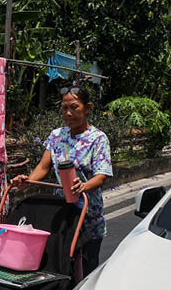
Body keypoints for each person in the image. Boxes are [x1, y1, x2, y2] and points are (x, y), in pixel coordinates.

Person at [11, 85, 112, 277]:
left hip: (88, 217)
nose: (68, 113)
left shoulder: (98, 139)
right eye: (65, 108)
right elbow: (43, 166)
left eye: (74, 107)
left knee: (86, 272)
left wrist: (84, 186)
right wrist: (28, 182)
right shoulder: (57, 136)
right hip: (62, 215)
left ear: (88, 108)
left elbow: (102, 175)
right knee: (61, 268)